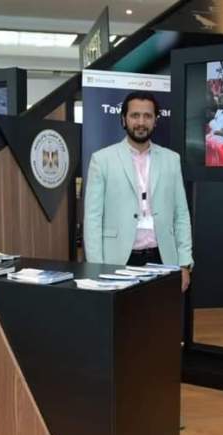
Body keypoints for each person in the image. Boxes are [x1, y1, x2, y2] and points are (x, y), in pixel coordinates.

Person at [84, 90, 193, 292]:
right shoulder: (102, 160)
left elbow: (181, 215)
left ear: (155, 120)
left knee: (161, 312)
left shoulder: (171, 159)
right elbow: (92, 219)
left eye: (147, 116)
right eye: (135, 115)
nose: (141, 122)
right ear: (123, 119)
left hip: (163, 259)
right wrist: (96, 268)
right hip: (117, 261)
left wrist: (185, 263)